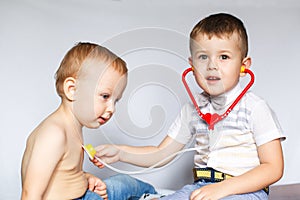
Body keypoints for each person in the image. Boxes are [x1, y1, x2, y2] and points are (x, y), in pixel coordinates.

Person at [93, 13, 285, 200]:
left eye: (224, 57)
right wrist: (120, 152)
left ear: (244, 66)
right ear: (192, 65)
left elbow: (273, 168)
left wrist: (222, 189)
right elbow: (161, 154)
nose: (212, 65)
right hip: (201, 188)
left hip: (245, 191)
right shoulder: (192, 110)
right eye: (203, 57)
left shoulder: (255, 108)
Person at [21, 42, 156, 200]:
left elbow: (61, 174)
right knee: (123, 187)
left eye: (116, 100)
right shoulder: (54, 133)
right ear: (73, 90)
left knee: (124, 183)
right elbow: (30, 193)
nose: (112, 108)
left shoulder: (72, 125)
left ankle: (155, 195)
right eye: (105, 96)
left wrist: (85, 178)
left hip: (85, 195)